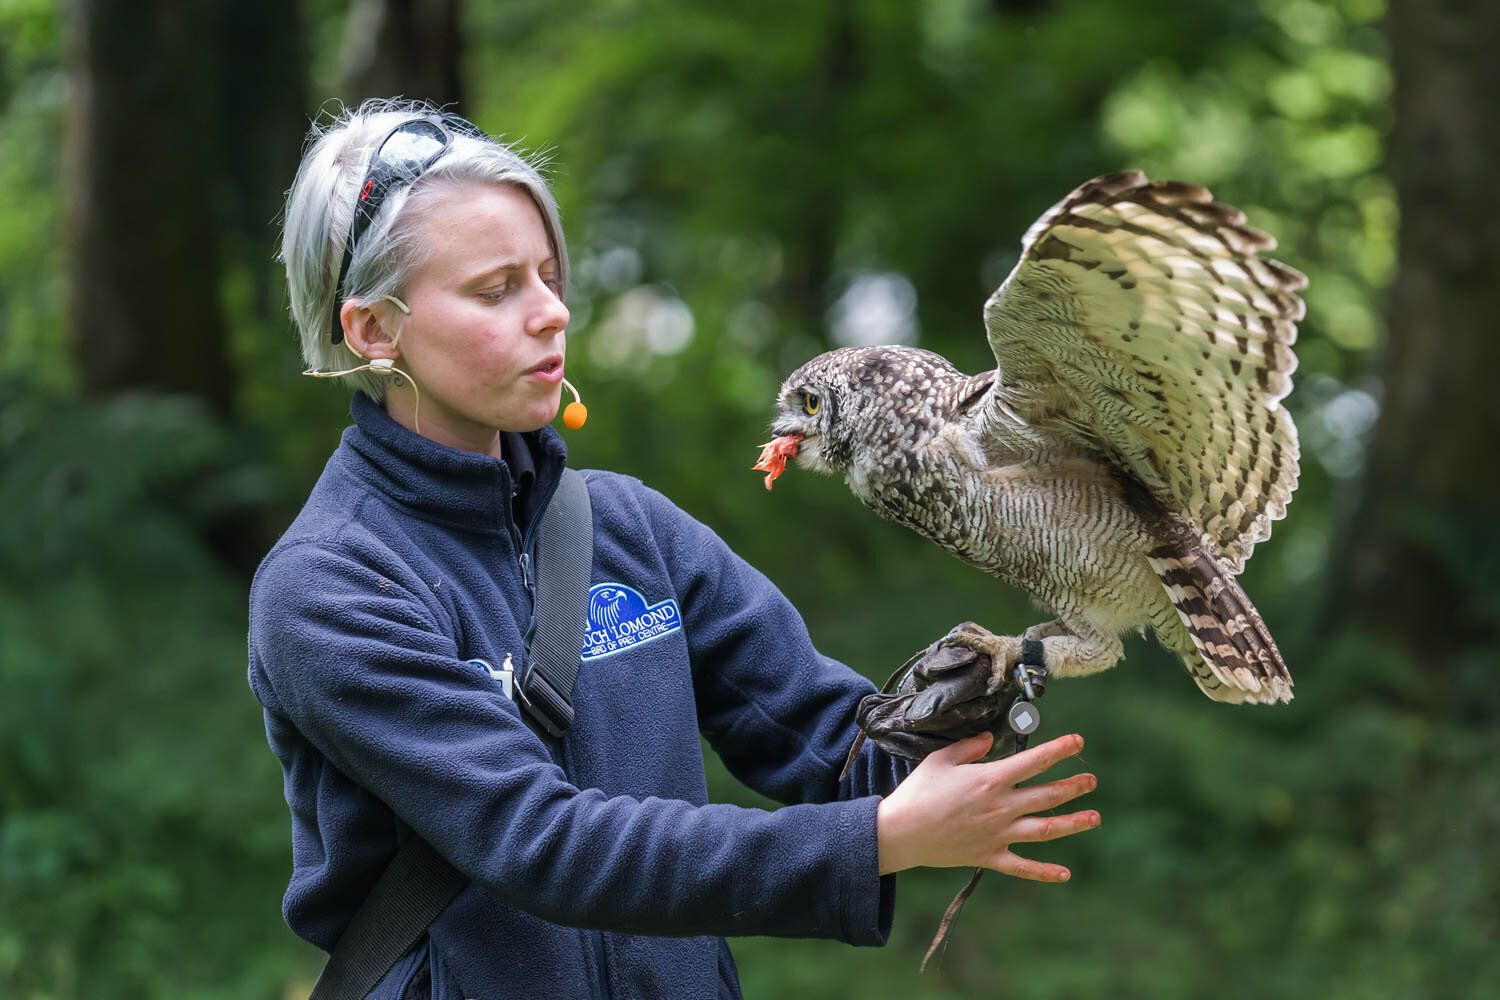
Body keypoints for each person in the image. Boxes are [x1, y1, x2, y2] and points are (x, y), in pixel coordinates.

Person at [248, 98, 1101, 999]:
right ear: (374, 330)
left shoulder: (627, 529)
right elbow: (547, 843)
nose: (549, 314)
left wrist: (1011, 672)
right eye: (496, 290)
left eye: (548, 273)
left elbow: (833, 745)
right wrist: (880, 838)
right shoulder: (329, 587)